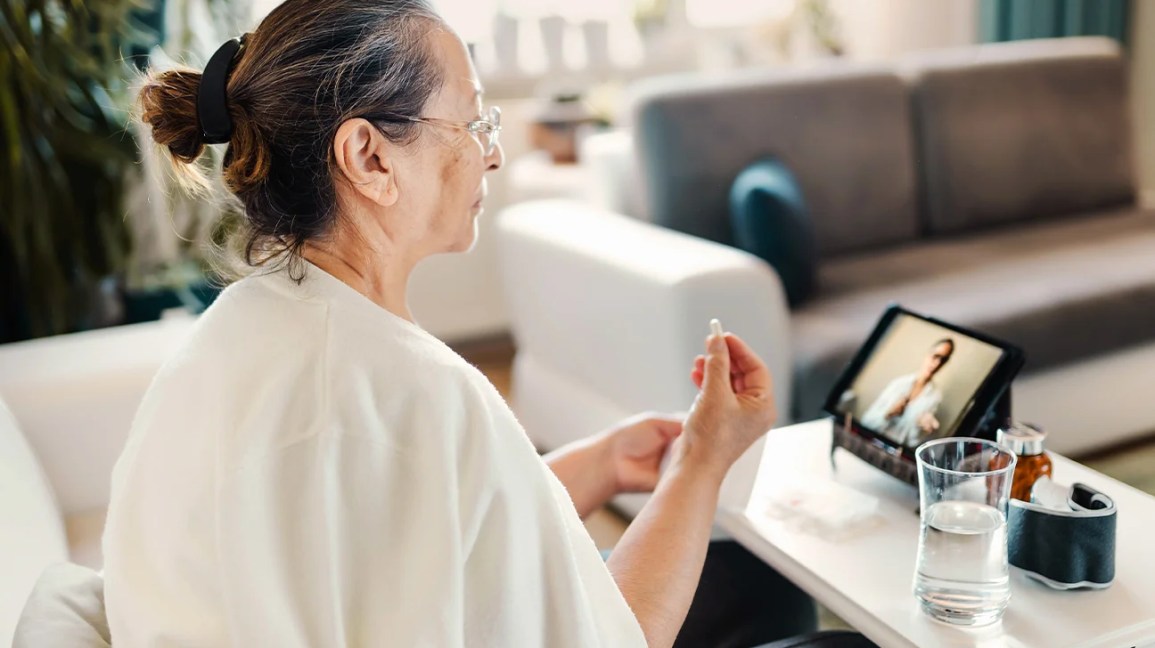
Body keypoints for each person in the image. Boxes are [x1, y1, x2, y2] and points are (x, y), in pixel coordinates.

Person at [102, 2, 874, 646]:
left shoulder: (244, 333)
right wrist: (702, 460)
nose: (492, 155)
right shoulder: (415, 391)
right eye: (472, 123)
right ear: (369, 157)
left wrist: (599, 463)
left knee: (751, 582)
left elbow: (422, 526)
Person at [860, 339, 955, 447]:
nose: (937, 363)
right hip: (870, 442)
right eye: (936, 356)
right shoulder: (898, 383)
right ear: (928, 354)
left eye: (943, 360)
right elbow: (865, 421)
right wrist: (888, 414)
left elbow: (912, 443)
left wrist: (920, 429)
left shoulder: (935, 398)